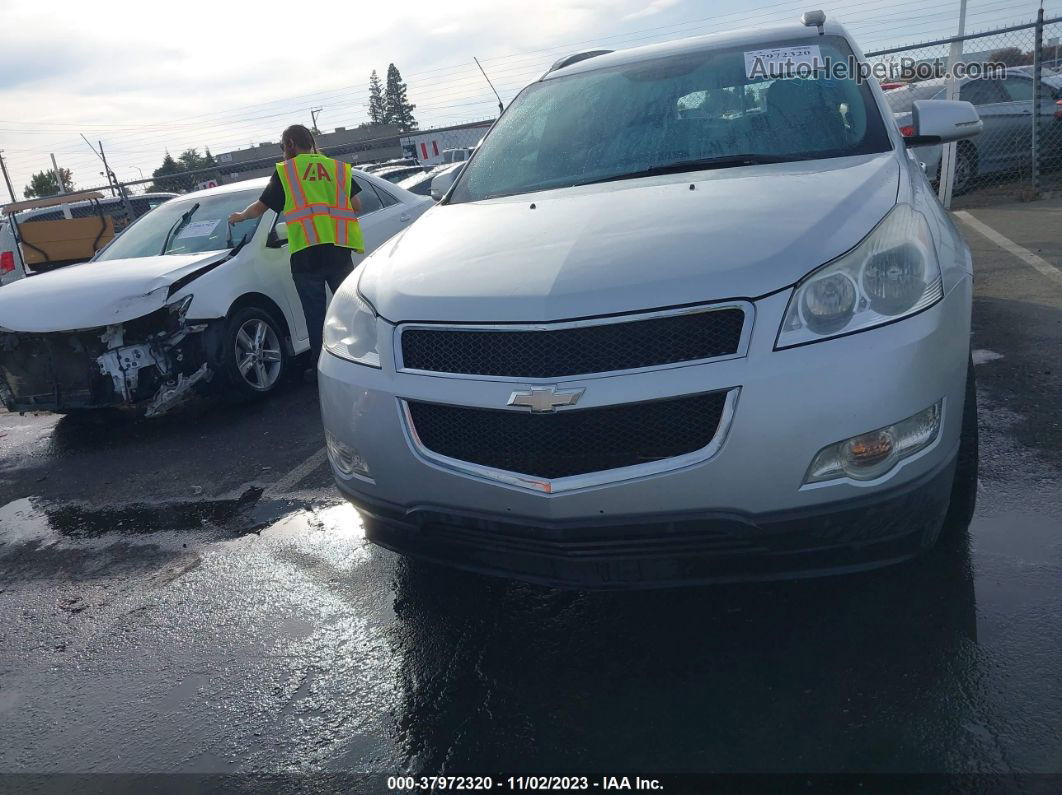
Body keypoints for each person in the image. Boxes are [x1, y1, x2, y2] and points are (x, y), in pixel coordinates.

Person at [228, 124, 363, 363]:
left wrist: (240, 216)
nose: (282, 151)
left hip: (306, 258)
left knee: (315, 316)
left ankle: (322, 364)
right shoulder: (336, 168)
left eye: (282, 146)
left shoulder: (287, 172)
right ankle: (363, 356)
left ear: (290, 144)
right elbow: (356, 206)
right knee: (351, 310)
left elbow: (260, 208)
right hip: (338, 252)